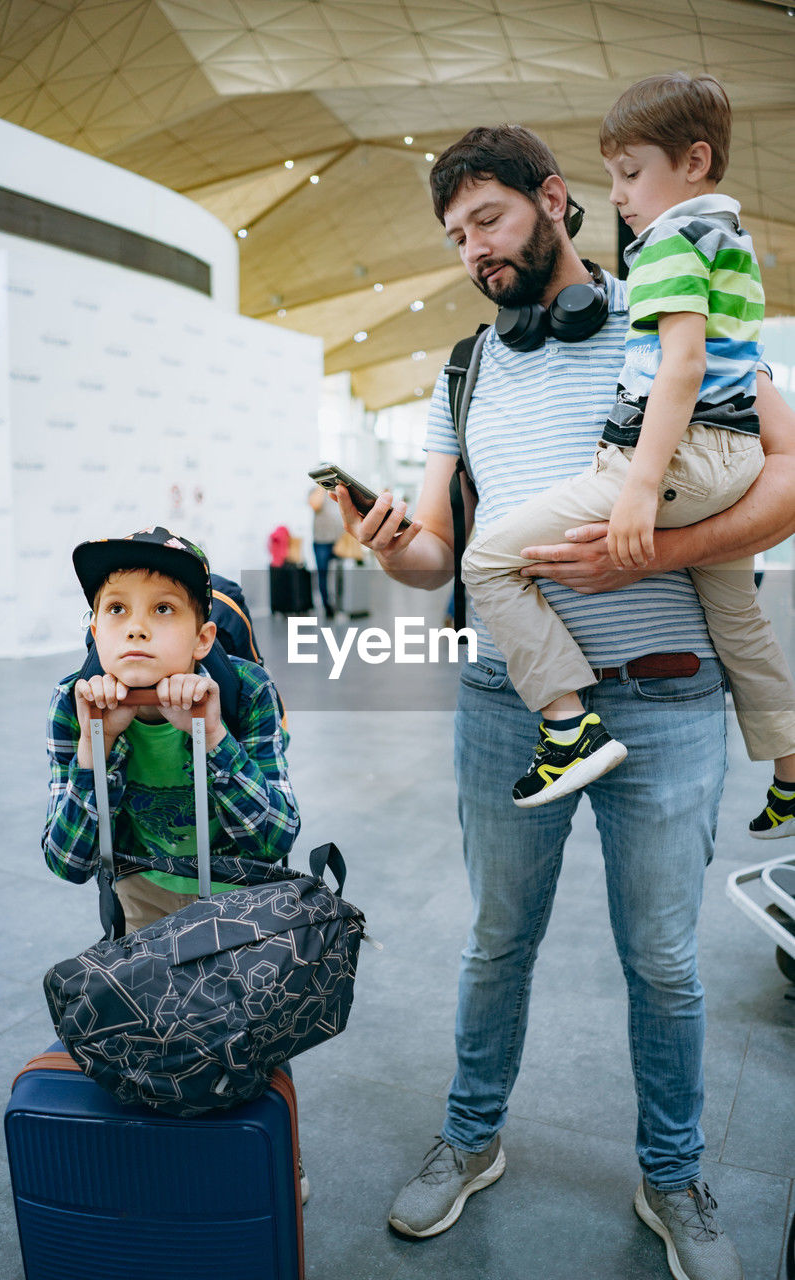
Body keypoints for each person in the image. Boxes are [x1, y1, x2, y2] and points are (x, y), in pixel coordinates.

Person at [333, 120, 795, 1279]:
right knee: (495, 942)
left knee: (665, 959)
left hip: (671, 698)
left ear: (553, 199)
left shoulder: (671, 307)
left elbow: (786, 473)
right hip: (505, 701)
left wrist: (641, 555)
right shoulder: (463, 367)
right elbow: (444, 552)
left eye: (486, 219)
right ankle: (471, 1136)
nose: (472, 250)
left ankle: (673, 1169)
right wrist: (398, 553)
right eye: (454, 236)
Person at [459, 74, 795, 828]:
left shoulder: (669, 246)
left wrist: (640, 497)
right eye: (457, 237)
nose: (616, 194)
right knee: (739, 617)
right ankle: (789, 764)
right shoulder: (726, 239)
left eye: (630, 173)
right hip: (728, 454)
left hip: (678, 464)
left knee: (484, 561)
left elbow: (680, 365)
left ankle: (567, 725)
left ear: (694, 161)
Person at [42, 526, 300, 931]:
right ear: (96, 633)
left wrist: (214, 736)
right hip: (140, 890)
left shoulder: (248, 691)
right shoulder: (73, 704)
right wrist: (97, 746)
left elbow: (275, 840)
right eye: (116, 609)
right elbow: (68, 862)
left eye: (163, 609)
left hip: (238, 890)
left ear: (202, 639)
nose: (136, 628)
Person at [309, 483, 341, 619]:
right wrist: (322, 487)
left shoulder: (338, 490)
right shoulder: (315, 491)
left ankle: (342, 604)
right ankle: (327, 606)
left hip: (339, 540)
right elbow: (315, 505)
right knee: (323, 574)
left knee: (341, 574)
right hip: (322, 541)